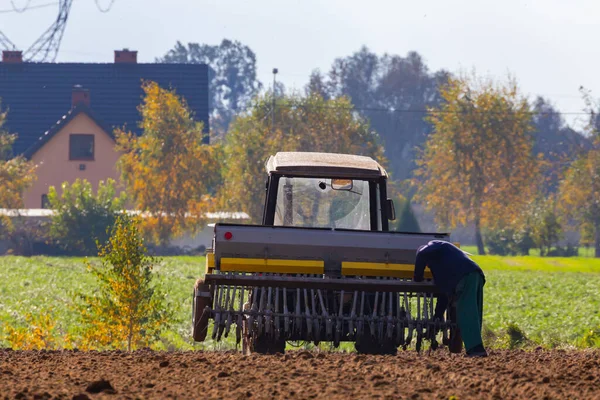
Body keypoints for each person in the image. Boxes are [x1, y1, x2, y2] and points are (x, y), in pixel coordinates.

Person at [413, 240, 488, 357]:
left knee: (465, 313)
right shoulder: (444, 262)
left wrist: (417, 277)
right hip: (476, 274)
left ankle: (476, 350)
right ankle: (477, 348)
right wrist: (437, 316)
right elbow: (443, 296)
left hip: (465, 276)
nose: (428, 266)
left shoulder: (432, 246)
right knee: (474, 313)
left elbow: (422, 254)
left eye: (427, 264)